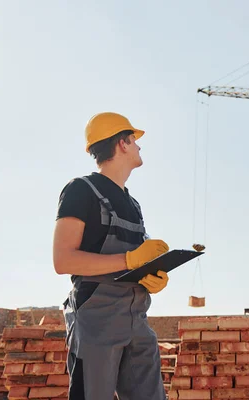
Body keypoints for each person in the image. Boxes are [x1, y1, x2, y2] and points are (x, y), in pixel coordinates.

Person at [53, 112, 170, 400]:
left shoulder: (133, 204)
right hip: (96, 320)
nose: (140, 147)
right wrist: (130, 260)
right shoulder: (81, 190)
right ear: (122, 143)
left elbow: (139, 259)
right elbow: (63, 260)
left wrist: (153, 274)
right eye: (135, 140)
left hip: (136, 318)